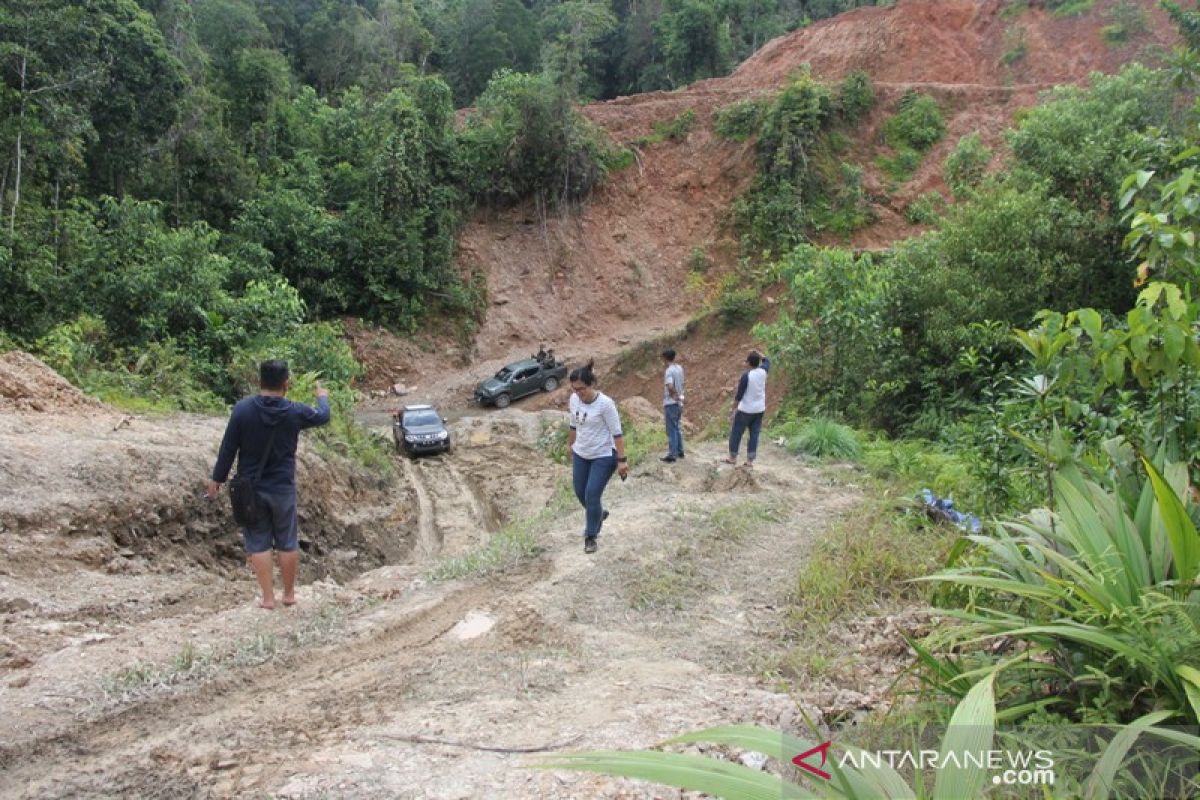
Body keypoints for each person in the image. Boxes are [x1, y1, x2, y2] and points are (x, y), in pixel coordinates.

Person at [207, 360, 331, 609]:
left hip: (250, 489)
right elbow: (323, 416)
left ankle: (267, 598)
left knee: (257, 541)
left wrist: (217, 480)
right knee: (287, 539)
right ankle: (289, 594)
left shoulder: (242, 410)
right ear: (286, 384)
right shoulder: (295, 411)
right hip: (283, 487)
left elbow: (228, 447)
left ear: (259, 381)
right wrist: (322, 397)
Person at [567, 359, 628, 554]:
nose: (578, 393)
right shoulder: (574, 400)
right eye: (575, 389)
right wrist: (571, 445)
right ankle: (598, 514)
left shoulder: (605, 404)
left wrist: (621, 460)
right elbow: (573, 425)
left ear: (591, 384)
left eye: (581, 389)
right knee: (580, 492)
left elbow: (617, 433)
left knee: (592, 494)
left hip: (603, 455)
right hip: (581, 453)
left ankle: (590, 536)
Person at [725, 350, 770, 467]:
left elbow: (739, 395)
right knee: (754, 434)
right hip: (759, 409)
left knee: (736, 433)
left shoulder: (746, 376)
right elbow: (767, 360)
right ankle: (750, 461)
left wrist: (732, 409)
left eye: (747, 361)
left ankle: (733, 457)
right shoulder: (763, 371)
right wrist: (758, 353)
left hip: (746, 410)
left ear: (749, 363)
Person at [660, 348, 685, 463]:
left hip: (671, 403)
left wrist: (674, 395)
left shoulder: (669, 371)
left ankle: (672, 454)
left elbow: (669, 386)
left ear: (665, 358)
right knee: (677, 427)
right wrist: (679, 397)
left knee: (671, 429)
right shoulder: (679, 368)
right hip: (680, 402)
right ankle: (680, 451)